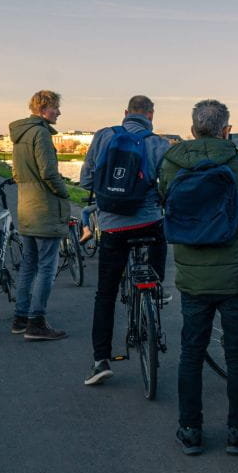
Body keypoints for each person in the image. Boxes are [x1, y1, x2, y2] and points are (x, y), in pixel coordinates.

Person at [159, 99, 238, 456]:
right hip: (237, 276)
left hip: (193, 278)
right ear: (227, 129)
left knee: (191, 354)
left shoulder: (171, 163)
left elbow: (164, 198)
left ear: (193, 129)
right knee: (237, 355)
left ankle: (190, 430)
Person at [79, 95, 170, 385]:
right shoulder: (159, 143)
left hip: (113, 227)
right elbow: (167, 187)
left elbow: (86, 181)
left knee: (105, 294)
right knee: (159, 234)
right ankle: (156, 287)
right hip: (148, 221)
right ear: (151, 115)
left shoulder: (104, 136)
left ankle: (100, 360)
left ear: (125, 113)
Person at [8, 90, 70, 341]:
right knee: (47, 267)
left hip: (26, 207)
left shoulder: (20, 135)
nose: (58, 112)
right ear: (43, 108)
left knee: (28, 266)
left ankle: (20, 318)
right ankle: (37, 322)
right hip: (45, 209)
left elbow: (16, 174)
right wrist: (64, 193)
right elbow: (48, 172)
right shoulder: (41, 133)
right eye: (55, 107)